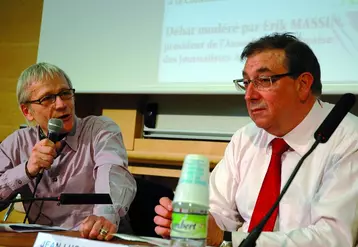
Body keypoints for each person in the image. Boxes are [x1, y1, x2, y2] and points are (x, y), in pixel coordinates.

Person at [154, 33, 358, 246]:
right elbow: (217, 211)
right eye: (246, 82)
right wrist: (192, 222)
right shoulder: (245, 138)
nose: (249, 95)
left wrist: (227, 239)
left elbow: (332, 238)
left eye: (263, 80)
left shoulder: (348, 140)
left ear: (303, 84)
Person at [0, 62, 137, 241]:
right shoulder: (17, 143)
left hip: (96, 239)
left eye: (65, 93)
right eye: (47, 98)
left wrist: (104, 217)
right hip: (43, 241)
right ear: (28, 111)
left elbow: (112, 174)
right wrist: (26, 169)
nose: (61, 104)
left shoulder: (100, 130)